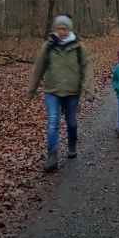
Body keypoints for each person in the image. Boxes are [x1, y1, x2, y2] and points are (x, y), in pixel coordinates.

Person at [27, 15, 95, 172]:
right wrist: (32, 90)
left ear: (69, 29)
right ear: (55, 29)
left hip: (72, 91)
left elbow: (86, 68)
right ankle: (52, 156)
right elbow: (39, 68)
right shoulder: (48, 46)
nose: (61, 31)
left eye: (64, 28)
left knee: (71, 122)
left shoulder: (79, 47)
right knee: (53, 122)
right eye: (59, 28)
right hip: (52, 90)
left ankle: (72, 145)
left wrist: (89, 89)